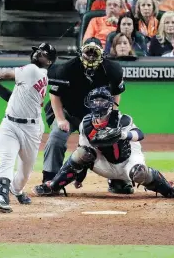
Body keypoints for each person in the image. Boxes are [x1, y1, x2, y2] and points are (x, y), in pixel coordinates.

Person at [32, 37, 134, 197]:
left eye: (95, 52)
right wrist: (60, 120)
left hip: (98, 114)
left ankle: (117, 180)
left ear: (103, 54)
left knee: (113, 139)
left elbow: (116, 94)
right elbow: (54, 96)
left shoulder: (113, 69)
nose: (91, 56)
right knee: (56, 137)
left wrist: (112, 116)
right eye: (88, 52)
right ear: (81, 53)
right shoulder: (65, 69)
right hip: (68, 111)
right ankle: (50, 179)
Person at [40, 87, 174, 199]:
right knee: (82, 153)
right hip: (102, 163)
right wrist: (80, 177)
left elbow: (139, 134)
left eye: (102, 100)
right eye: (95, 100)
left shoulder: (123, 120)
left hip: (128, 162)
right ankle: (53, 186)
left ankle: (168, 190)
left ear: (110, 103)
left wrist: (123, 134)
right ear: (89, 103)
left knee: (140, 173)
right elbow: (83, 149)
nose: (98, 103)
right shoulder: (85, 123)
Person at [0, 43, 57, 213]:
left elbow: (5, 73)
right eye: (37, 51)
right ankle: (2, 197)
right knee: (7, 159)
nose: (38, 54)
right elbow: (11, 98)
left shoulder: (32, 70)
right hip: (9, 124)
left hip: (31, 129)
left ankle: (16, 190)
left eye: (43, 53)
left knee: (25, 172)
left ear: (49, 62)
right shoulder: (30, 75)